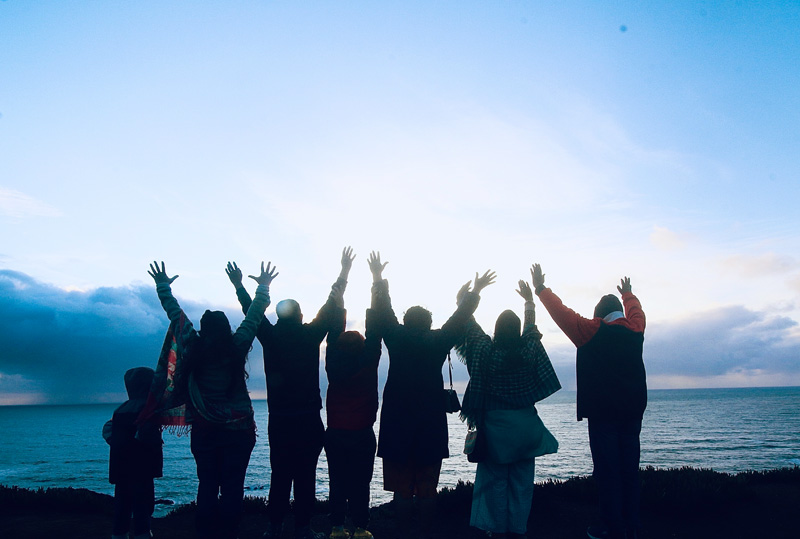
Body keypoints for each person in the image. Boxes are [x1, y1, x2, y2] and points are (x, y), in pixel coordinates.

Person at [226, 248, 354, 539]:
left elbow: (252, 312)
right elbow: (332, 302)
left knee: (280, 475)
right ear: (301, 315)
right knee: (305, 475)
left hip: (280, 419)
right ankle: (303, 529)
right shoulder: (310, 334)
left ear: (278, 316)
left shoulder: (270, 336)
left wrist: (239, 285)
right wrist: (344, 271)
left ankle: (274, 528)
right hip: (308, 418)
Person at [149, 260, 276, 539]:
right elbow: (254, 317)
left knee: (207, 483)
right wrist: (263, 287)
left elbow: (175, 315)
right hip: (239, 431)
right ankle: (230, 531)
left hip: (205, 430)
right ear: (226, 328)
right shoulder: (237, 346)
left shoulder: (193, 346)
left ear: (203, 330)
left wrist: (163, 286)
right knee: (233, 485)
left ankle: (205, 531)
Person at [371, 252, 495, 539]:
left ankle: (404, 534)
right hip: (430, 423)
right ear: (428, 324)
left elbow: (384, 310)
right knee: (428, 487)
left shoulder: (396, 337)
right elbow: (459, 318)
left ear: (404, 322)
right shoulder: (438, 340)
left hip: (397, 422)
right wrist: (475, 291)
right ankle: (424, 534)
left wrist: (378, 277)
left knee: (402, 488)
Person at [531, 264, 646, 539]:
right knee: (629, 469)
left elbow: (561, 313)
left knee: (608, 471)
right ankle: (632, 526)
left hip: (603, 414)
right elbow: (636, 312)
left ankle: (611, 527)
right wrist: (628, 294)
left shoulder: (591, 330)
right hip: (632, 412)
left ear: (599, 316)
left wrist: (540, 289)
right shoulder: (636, 329)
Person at [455, 279, 561, 539]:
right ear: (517, 332)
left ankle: (498, 531)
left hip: (496, 431)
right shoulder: (529, 351)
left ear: (496, 330)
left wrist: (469, 295)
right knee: (522, 484)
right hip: (526, 429)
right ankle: (518, 530)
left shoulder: (486, 352)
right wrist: (529, 302)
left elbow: (469, 325)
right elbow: (532, 332)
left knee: (496, 484)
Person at [323, 252, 386, 539]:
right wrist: (376, 280)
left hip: (335, 434)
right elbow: (375, 331)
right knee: (361, 482)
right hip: (362, 434)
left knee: (337, 482)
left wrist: (343, 276)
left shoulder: (332, 361)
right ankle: (360, 528)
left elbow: (334, 327)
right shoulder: (368, 361)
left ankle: (337, 527)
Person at [104, 367, 163, 539]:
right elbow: (147, 437)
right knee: (144, 505)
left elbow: (108, 430)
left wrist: (117, 442)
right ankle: (143, 534)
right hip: (143, 469)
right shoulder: (149, 410)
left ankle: (119, 534)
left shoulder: (120, 410)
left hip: (121, 469)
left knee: (122, 505)